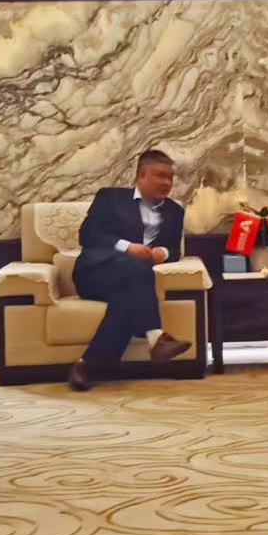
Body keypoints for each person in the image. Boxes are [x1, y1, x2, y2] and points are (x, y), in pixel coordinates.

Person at [66, 149, 193, 392]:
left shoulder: (174, 211)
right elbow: (88, 235)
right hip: (95, 273)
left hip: (133, 281)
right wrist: (127, 247)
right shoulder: (110, 197)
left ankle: (87, 367)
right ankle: (156, 337)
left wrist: (161, 253)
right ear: (142, 175)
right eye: (161, 175)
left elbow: (173, 250)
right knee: (137, 266)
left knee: (128, 296)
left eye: (170, 177)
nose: (167, 183)